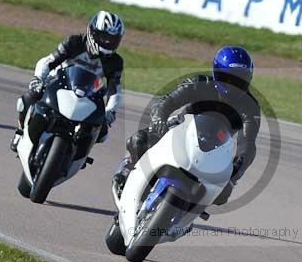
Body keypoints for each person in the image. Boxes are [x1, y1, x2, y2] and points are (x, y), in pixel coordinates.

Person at [112, 46, 261, 206]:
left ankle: (185, 216)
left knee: (222, 195)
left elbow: (248, 143)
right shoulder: (198, 83)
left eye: (240, 79)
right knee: (139, 141)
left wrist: (234, 174)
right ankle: (128, 171)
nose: (234, 85)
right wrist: (159, 119)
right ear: (216, 72)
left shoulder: (250, 106)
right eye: (228, 78)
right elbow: (166, 101)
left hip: (215, 149)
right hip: (180, 130)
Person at [10, 10, 125, 151]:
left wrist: (110, 111)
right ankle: (19, 131)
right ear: (93, 32)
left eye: (112, 39)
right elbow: (48, 62)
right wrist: (38, 79)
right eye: (104, 37)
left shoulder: (115, 62)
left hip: (88, 97)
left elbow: (115, 90)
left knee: (102, 131)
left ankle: (79, 154)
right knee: (30, 97)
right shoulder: (74, 42)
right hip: (59, 85)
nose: (108, 42)